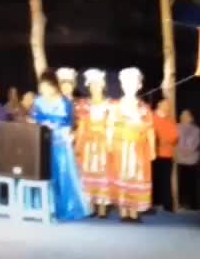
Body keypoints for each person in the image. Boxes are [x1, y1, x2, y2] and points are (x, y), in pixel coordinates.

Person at [30, 70, 90, 222]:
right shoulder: (38, 102)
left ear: (54, 86)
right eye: (41, 86)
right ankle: (43, 207)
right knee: (44, 175)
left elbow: (69, 123)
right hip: (43, 145)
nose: (43, 89)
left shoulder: (65, 103)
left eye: (46, 86)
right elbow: (34, 119)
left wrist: (56, 125)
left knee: (63, 176)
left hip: (60, 144)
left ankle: (66, 209)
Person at [108, 67, 155, 222]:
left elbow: (150, 129)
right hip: (120, 147)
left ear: (139, 85)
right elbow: (110, 126)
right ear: (122, 85)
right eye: (126, 82)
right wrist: (109, 144)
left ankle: (134, 211)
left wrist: (152, 149)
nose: (129, 86)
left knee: (136, 177)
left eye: (133, 83)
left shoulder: (144, 108)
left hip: (138, 149)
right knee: (122, 176)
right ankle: (123, 211)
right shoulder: (116, 106)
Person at [75, 68, 112, 218]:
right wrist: (78, 145)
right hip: (88, 144)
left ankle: (102, 208)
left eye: (97, 84)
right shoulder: (84, 105)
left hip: (103, 143)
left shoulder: (110, 105)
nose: (95, 87)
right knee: (87, 174)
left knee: (104, 174)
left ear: (103, 85)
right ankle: (90, 206)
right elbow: (81, 127)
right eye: (92, 85)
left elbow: (112, 125)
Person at [153, 99, 179, 212]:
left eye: (168, 105)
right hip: (153, 154)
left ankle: (167, 204)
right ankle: (152, 203)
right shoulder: (152, 117)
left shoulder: (170, 120)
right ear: (159, 105)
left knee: (166, 180)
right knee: (153, 179)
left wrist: (164, 139)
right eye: (165, 105)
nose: (167, 107)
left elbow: (175, 137)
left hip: (167, 154)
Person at [177, 110, 200, 210]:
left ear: (191, 118)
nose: (183, 117)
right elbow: (175, 141)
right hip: (180, 159)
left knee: (192, 183)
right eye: (182, 115)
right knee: (181, 183)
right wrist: (181, 151)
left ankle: (193, 204)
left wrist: (188, 151)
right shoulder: (177, 127)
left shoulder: (196, 130)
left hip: (192, 160)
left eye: (186, 116)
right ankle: (181, 203)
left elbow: (196, 143)